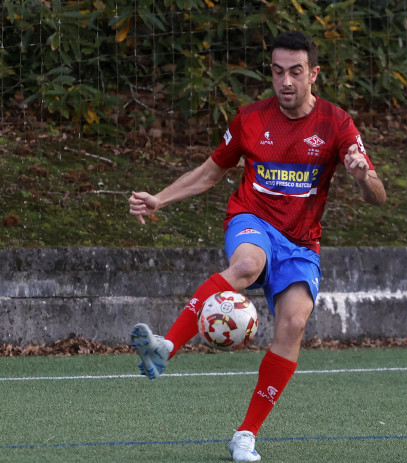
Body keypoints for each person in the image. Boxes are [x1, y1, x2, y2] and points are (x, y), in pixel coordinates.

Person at [128, 30, 386, 462]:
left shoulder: (336, 123)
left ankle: (245, 434)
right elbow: (208, 173)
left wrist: (362, 175)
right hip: (253, 219)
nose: (285, 81)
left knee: (293, 325)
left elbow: (378, 196)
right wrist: (159, 199)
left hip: (302, 242)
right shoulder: (249, 118)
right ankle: (167, 345)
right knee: (246, 265)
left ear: (314, 74)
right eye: (277, 71)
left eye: (296, 72)